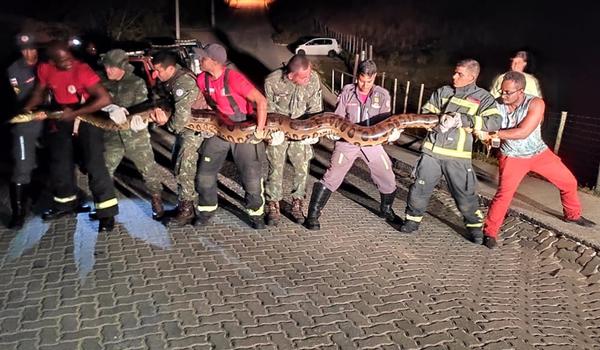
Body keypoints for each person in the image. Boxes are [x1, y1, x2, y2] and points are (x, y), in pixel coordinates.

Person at [480, 71, 595, 249]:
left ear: (521, 91)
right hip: (512, 156)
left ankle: (572, 215)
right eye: (502, 91)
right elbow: (483, 121)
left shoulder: (535, 103)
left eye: (507, 92)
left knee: (569, 182)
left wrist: (494, 133)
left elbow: (523, 132)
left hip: (539, 153)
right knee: (504, 195)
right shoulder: (497, 105)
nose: (503, 96)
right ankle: (489, 233)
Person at [399, 59, 502, 244]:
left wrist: (462, 119)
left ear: (472, 77)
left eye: (459, 74)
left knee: (465, 196)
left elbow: (494, 121)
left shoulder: (484, 98)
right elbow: (426, 113)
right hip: (431, 153)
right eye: (455, 72)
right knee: (419, 189)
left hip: (458, 157)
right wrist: (438, 121)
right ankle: (412, 221)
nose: (454, 76)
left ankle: (476, 230)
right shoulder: (443, 92)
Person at [23, 40, 119, 232]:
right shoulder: (45, 68)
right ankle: (65, 205)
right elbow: (39, 91)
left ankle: (106, 213)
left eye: (69, 56)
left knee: (94, 163)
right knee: (60, 163)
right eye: (62, 59)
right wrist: (28, 108)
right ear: (52, 60)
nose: (68, 61)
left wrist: (75, 113)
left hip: (87, 116)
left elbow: (104, 98)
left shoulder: (81, 69)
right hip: (62, 116)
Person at [304, 60, 402, 230]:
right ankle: (313, 214)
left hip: (372, 143)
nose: (364, 85)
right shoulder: (347, 92)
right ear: (358, 77)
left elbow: (386, 121)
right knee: (332, 176)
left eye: (369, 81)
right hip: (347, 142)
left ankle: (386, 209)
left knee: (388, 176)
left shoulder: (383, 94)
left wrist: (392, 134)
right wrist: (332, 131)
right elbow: (338, 116)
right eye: (362, 80)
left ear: (375, 78)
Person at [193, 43, 268, 229]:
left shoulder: (234, 78)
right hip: (220, 127)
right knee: (204, 174)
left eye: (204, 57)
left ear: (215, 61)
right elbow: (198, 102)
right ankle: (206, 209)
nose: (199, 60)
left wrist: (260, 129)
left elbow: (261, 100)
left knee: (251, 177)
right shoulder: (202, 79)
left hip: (242, 126)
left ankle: (256, 213)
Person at [99, 49, 164, 220]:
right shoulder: (102, 83)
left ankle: (157, 200)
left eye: (112, 67)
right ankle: (106, 208)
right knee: (104, 171)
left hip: (135, 136)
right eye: (106, 67)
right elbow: (96, 104)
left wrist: (141, 120)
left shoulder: (137, 83)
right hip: (112, 137)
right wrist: (106, 109)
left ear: (122, 67)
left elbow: (143, 107)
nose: (108, 71)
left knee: (149, 170)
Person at [263, 54, 323, 226]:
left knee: (302, 168)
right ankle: (273, 204)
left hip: (302, 130)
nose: (308, 78)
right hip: (279, 130)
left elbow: (316, 108)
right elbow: (268, 109)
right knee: (275, 167)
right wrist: (272, 132)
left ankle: (297, 202)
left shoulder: (313, 79)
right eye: (303, 77)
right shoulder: (272, 81)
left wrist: (313, 132)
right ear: (291, 76)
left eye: (309, 74)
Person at [150, 50, 204, 226]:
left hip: (193, 130)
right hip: (187, 129)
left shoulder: (183, 82)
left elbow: (180, 119)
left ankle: (187, 210)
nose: (155, 74)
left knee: (184, 168)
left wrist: (165, 123)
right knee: (178, 164)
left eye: (158, 70)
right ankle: (184, 204)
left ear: (171, 68)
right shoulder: (171, 80)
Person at [6, 33, 43, 229]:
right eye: (24, 49)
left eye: (31, 48)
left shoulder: (45, 65)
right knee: (22, 167)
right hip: (25, 123)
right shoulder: (14, 69)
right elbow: (14, 99)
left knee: (50, 163)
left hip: (48, 121)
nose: (28, 53)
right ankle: (18, 212)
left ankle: (44, 200)